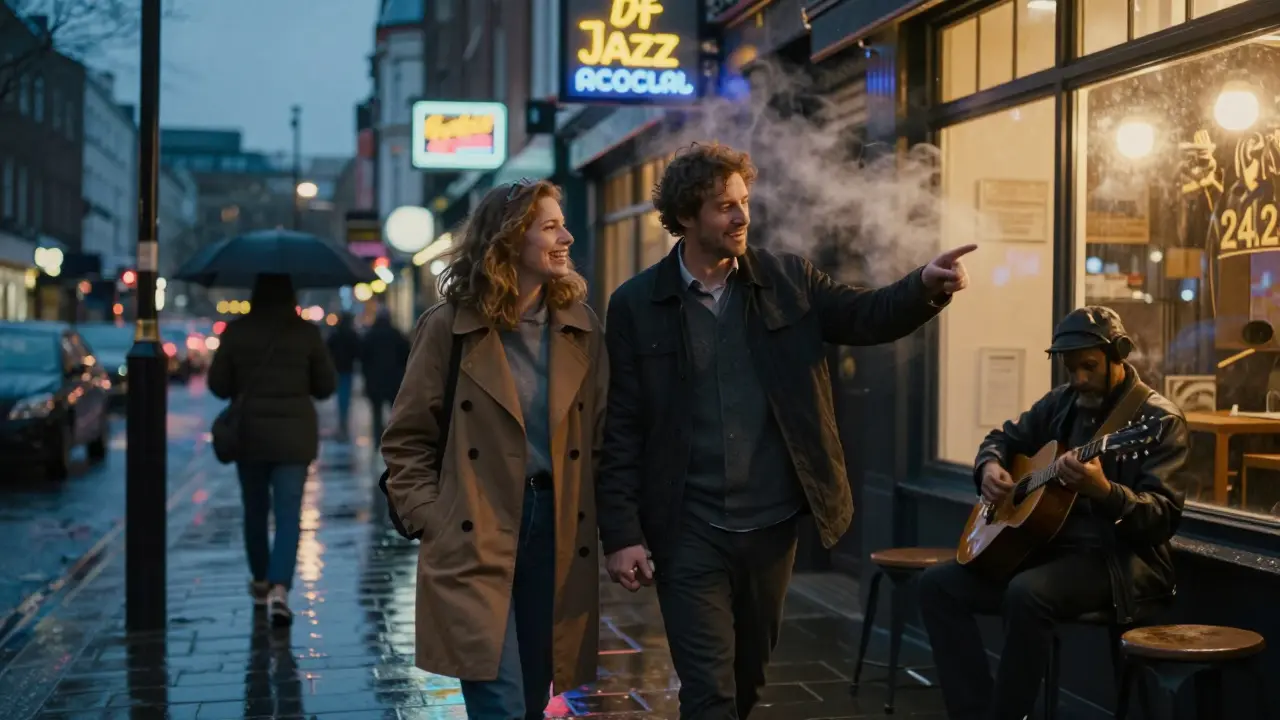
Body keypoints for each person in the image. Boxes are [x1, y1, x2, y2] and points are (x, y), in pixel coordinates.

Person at [597, 142, 974, 719]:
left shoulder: (787, 277)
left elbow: (863, 314)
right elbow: (620, 425)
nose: (742, 217)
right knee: (709, 690)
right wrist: (622, 532)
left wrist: (923, 284)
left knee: (747, 681)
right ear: (688, 215)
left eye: (744, 202)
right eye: (725, 206)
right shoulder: (636, 304)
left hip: (770, 524)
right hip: (686, 525)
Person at [380, 179, 607, 720]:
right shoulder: (447, 328)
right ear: (508, 239)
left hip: (554, 526)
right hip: (473, 525)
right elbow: (407, 438)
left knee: (532, 698)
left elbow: (602, 437)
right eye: (550, 227)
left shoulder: (581, 327)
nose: (567, 237)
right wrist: (432, 518)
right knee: (498, 702)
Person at [917, 306, 1189, 720]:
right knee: (936, 586)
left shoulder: (1157, 420)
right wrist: (989, 466)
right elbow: (1003, 437)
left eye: (1089, 367)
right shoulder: (1062, 403)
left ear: (1119, 355)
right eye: (1071, 368)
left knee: (1026, 594)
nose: (1079, 378)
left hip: (1117, 560)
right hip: (1046, 550)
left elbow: (1162, 520)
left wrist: (1104, 491)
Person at [208, 273, 337, 626]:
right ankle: (280, 586)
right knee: (287, 513)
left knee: (254, 510)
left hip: (249, 435)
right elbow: (326, 386)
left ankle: (261, 581)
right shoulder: (305, 332)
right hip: (294, 436)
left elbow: (218, 386)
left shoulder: (235, 332)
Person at [360, 306, 410, 446]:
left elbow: (363, 358)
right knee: (395, 412)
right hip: (393, 381)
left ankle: (378, 440)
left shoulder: (370, 335)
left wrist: (367, 377)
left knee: (376, 413)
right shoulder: (396, 335)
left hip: (374, 381)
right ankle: (394, 439)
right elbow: (406, 355)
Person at [326, 312, 361, 441]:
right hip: (347, 368)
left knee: (340, 395)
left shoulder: (335, 335)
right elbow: (358, 351)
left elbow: (327, 349)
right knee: (345, 394)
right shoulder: (352, 335)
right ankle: (343, 419)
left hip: (337, 368)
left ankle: (342, 420)